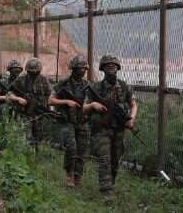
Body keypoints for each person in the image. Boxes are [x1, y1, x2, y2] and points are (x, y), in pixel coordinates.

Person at [83, 55, 137, 203]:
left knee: (115, 159)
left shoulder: (124, 87)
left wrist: (131, 118)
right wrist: (93, 106)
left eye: (114, 66)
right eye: (108, 66)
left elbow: (133, 104)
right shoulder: (96, 88)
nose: (111, 68)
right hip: (101, 129)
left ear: (118, 68)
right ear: (103, 69)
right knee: (105, 159)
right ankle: (106, 191)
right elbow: (83, 107)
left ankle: (110, 183)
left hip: (119, 129)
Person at [49, 55, 90, 187]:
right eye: (80, 68)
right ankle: (69, 175)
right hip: (67, 121)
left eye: (84, 68)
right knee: (71, 148)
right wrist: (66, 101)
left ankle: (78, 176)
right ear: (73, 69)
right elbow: (50, 100)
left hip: (82, 121)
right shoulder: (63, 84)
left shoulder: (87, 85)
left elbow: (93, 102)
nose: (82, 70)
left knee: (82, 150)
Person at [8, 58, 51, 150]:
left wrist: (48, 109)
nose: (34, 74)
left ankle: (36, 158)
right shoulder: (21, 79)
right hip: (24, 114)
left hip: (39, 113)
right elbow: (10, 93)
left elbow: (49, 95)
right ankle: (26, 155)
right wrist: (18, 98)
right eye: (31, 72)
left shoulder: (44, 80)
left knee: (38, 138)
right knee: (26, 137)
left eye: (36, 72)